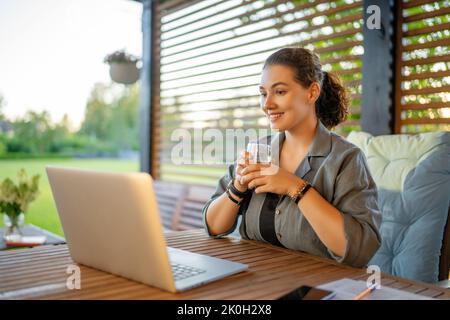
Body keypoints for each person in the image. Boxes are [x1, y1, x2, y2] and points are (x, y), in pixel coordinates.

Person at [202, 47, 381, 268]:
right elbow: (213, 226)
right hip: (256, 280)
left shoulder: (346, 159)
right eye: (263, 93)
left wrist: (295, 187)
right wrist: (238, 186)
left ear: (312, 93)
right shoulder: (258, 150)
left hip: (318, 287)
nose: (267, 104)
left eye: (279, 92)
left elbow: (358, 251)